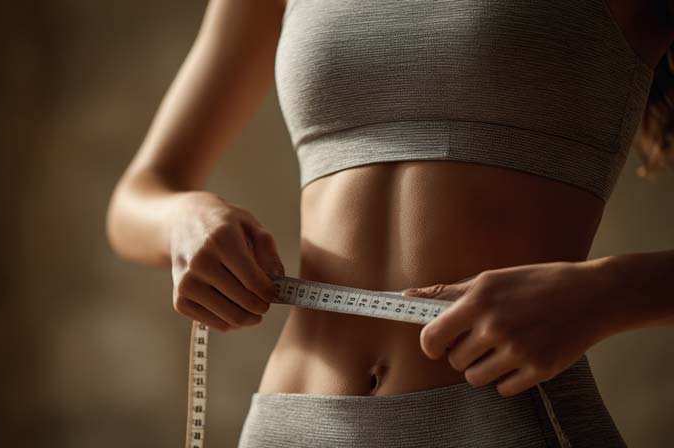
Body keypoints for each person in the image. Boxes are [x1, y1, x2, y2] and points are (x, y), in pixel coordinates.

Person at [106, 0, 674, 446]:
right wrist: (184, 218)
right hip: (292, 427)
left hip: (500, 424)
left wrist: (604, 293)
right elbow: (139, 195)